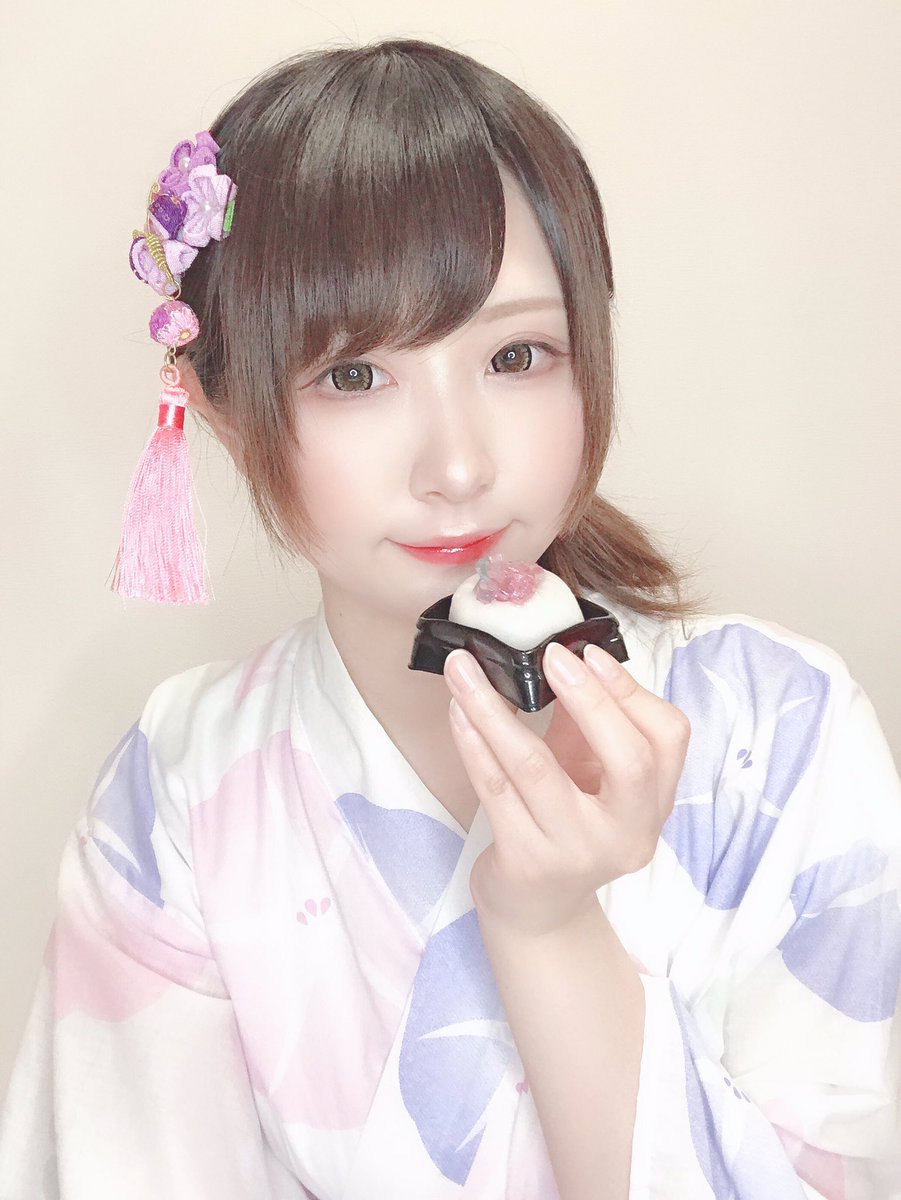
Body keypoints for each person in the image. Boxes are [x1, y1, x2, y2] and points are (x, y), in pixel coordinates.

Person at [1, 37, 899, 1200]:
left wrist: (548, 927)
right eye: (354, 376)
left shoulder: (781, 729)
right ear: (224, 411)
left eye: (517, 355)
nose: (460, 466)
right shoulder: (181, 784)